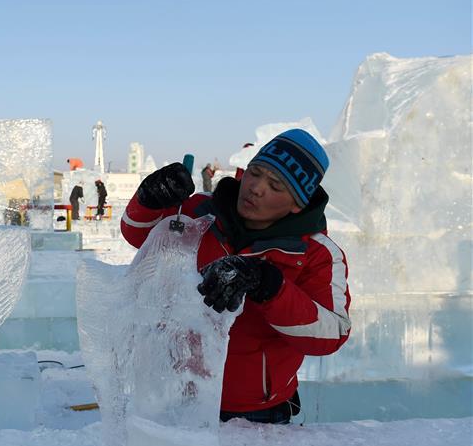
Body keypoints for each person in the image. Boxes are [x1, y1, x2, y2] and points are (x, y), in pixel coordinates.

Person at [120, 129, 350, 424]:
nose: (256, 188)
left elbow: (332, 334)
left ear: (298, 203)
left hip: (257, 415)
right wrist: (149, 198)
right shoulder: (199, 210)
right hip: (175, 396)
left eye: (275, 185)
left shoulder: (317, 254)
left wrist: (269, 286)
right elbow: (138, 233)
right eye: (254, 173)